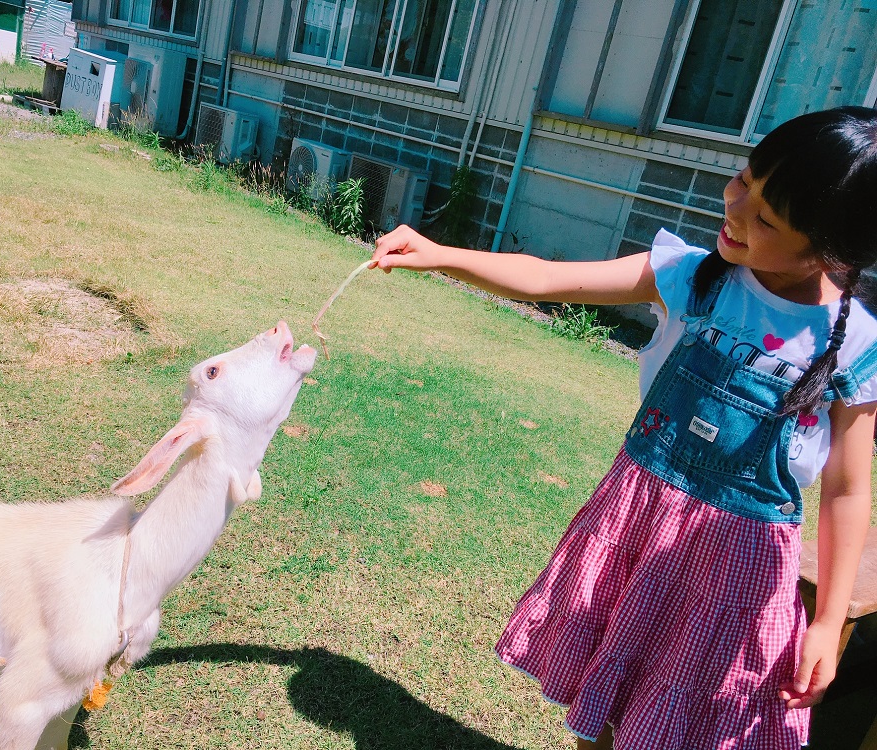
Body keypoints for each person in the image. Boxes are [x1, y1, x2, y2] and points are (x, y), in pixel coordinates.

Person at [368, 107, 877, 749]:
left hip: (737, 560)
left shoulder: (856, 346)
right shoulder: (693, 275)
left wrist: (828, 621)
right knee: (607, 698)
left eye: (767, 217)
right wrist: (439, 255)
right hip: (639, 519)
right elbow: (549, 280)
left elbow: (847, 490)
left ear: (828, 250)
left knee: (685, 715)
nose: (737, 207)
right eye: (745, 178)